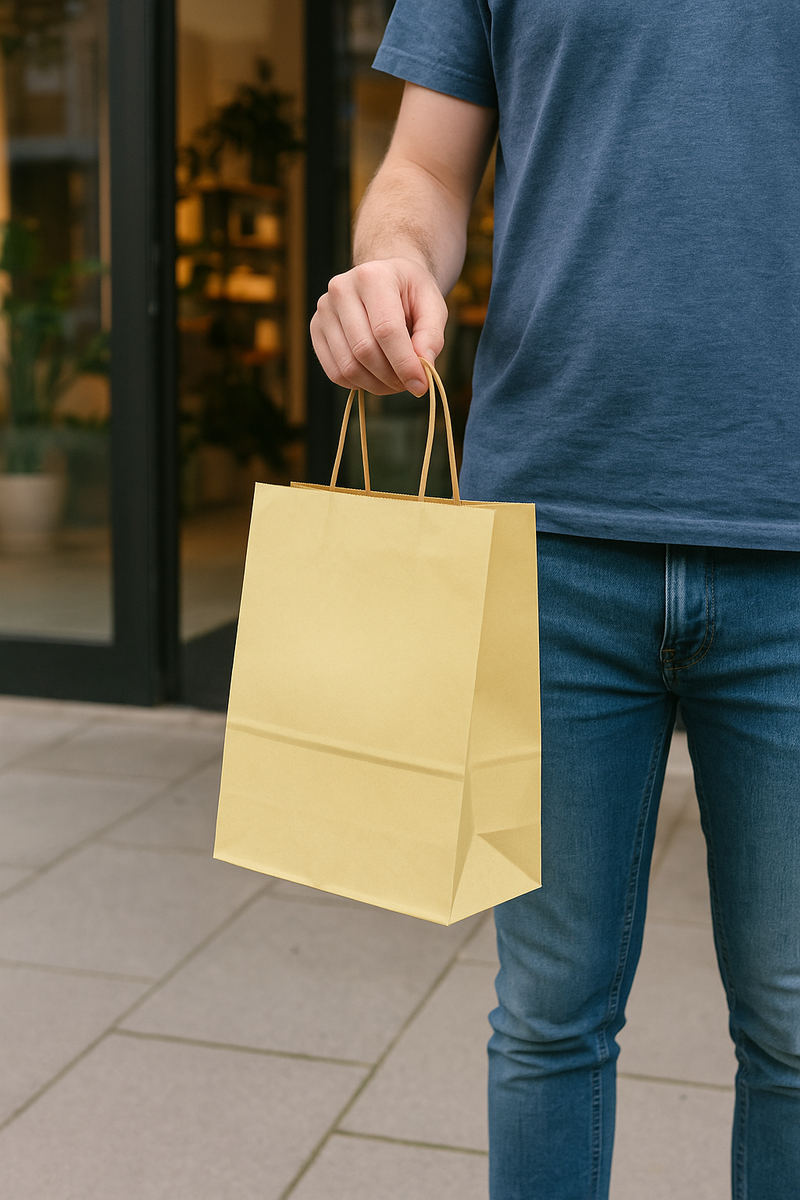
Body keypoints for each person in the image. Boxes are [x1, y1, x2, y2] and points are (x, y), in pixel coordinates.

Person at [310, 3, 800, 1196]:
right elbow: (424, 168)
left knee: (795, 1031)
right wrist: (388, 262)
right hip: (547, 549)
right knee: (545, 1015)